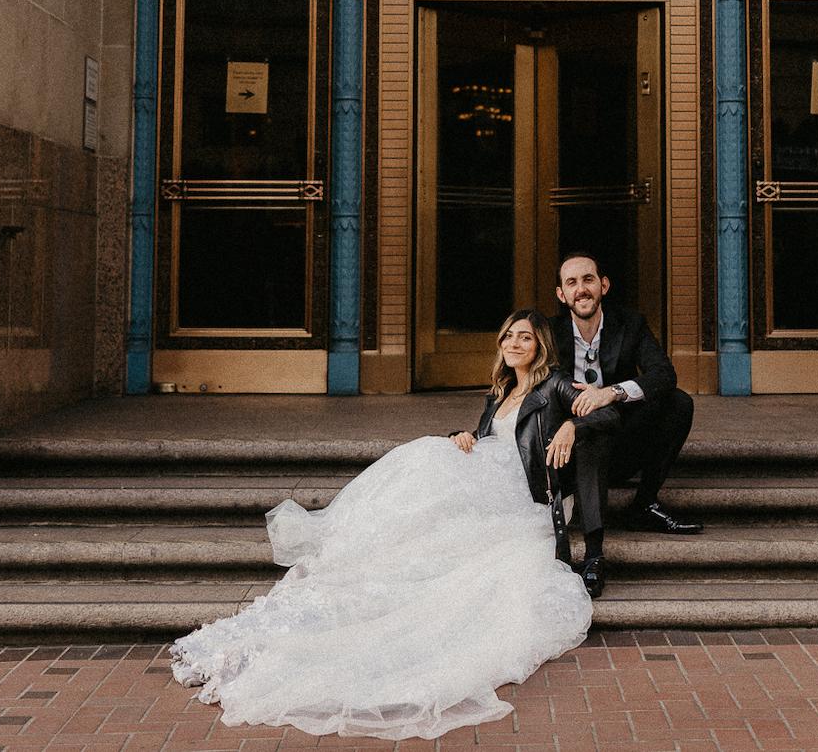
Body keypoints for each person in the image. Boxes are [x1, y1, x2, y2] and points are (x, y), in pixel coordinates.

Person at [168, 310, 595, 740]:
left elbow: (604, 411)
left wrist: (572, 427)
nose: (515, 344)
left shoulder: (554, 384)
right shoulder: (499, 392)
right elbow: (494, 440)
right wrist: (464, 436)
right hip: (491, 488)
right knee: (431, 459)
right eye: (509, 337)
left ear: (540, 345)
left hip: (525, 501)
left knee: (426, 461)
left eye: (525, 338)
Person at [550, 250, 702, 600]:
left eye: (588, 280)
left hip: (620, 440)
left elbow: (664, 374)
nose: (581, 289)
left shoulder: (629, 323)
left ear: (603, 285)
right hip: (570, 451)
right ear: (562, 294)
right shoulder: (549, 331)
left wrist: (612, 393)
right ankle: (593, 557)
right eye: (571, 283)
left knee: (678, 402)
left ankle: (644, 504)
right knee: (589, 430)